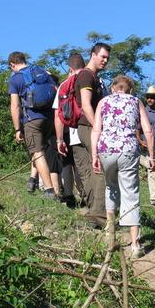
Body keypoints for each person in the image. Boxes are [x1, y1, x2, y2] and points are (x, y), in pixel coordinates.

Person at [91, 75, 155, 258]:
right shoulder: (136, 102)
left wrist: (95, 155)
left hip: (106, 151)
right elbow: (148, 131)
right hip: (128, 150)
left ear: (113, 88)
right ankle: (135, 244)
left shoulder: (103, 102)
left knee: (110, 187)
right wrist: (151, 156)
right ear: (130, 90)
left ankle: (110, 234)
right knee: (131, 193)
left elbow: (96, 129)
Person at [8, 51, 56, 200]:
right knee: (37, 148)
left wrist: (17, 129)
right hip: (49, 118)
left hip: (32, 119)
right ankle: (32, 180)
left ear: (12, 65)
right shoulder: (42, 72)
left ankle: (49, 190)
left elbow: (15, 106)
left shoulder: (15, 79)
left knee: (37, 152)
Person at [73, 43, 110, 225]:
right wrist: (98, 127)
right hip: (88, 127)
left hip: (89, 127)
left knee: (95, 169)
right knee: (102, 168)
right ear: (92, 55)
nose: (105, 61)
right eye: (102, 57)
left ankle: (95, 211)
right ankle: (99, 214)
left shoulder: (94, 77)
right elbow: (86, 105)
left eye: (107, 58)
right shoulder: (87, 75)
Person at [54, 52, 86, 206]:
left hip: (69, 132)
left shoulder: (64, 85)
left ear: (70, 68)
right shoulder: (95, 79)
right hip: (89, 131)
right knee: (83, 166)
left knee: (67, 164)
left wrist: (59, 139)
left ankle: (68, 194)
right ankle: (87, 196)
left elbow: (58, 115)